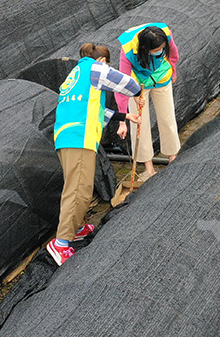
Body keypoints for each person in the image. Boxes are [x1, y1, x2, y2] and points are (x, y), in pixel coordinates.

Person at [47, 43, 143, 266]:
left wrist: (126, 117)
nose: (107, 67)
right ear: (102, 61)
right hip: (79, 138)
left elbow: (97, 109)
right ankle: (61, 243)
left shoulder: (76, 74)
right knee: (78, 189)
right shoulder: (95, 69)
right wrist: (138, 91)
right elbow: (125, 82)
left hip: (67, 137)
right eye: (107, 62)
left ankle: (77, 227)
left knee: (79, 184)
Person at [115, 23, 181, 181]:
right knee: (139, 123)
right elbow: (122, 84)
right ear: (144, 49)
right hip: (137, 83)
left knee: (168, 118)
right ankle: (149, 168)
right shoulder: (128, 51)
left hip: (162, 76)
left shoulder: (165, 33)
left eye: (161, 49)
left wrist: (173, 69)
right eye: (156, 50)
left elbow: (173, 53)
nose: (160, 51)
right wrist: (122, 118)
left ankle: (173, 159)